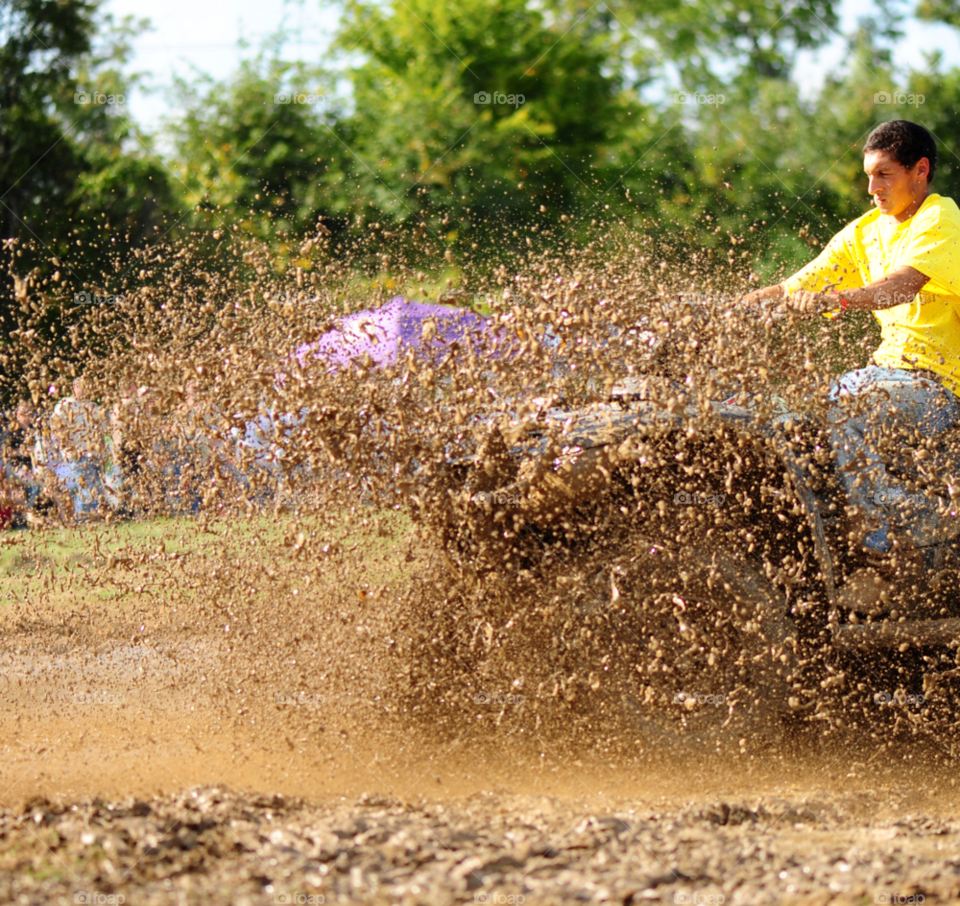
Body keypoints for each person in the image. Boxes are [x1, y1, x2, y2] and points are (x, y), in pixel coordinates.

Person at [740, 120, 960, 553]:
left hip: (939, 387)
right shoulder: (866, 231)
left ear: (920, 170)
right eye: (868, 176)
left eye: (884, 174)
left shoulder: (940, 218)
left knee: (839, 401)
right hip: (886, 379)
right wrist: (733, 309)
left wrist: (836, 300)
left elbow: (900, 286)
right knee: (782, 417)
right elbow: (791, 288)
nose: (872, 188)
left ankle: (887, 530)